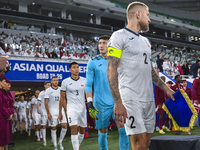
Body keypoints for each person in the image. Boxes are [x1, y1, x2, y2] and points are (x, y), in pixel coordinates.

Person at [106, 2, 175, 150]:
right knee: (139, 144)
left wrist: (166, 89)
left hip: (148, 98)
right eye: (147, 15)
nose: (149, 20)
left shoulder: (146, 41)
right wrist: (118, 102)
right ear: (138, 14)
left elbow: (150, 71)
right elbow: (111, 69)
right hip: (131, 97)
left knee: (147, 143)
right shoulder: (118, 36)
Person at [85, 35, 129, 150]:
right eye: (100, 43)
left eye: (104, 43)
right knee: (102, 131)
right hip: (99, 103)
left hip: (117, 102)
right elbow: (88, 84)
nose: (101, 45)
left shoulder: (118, 61)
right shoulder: (92, 62)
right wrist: (89, 102)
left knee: (124, 129)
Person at [59, 62, 86, 150]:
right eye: (74, 67)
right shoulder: (65, 82)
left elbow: (89, 93)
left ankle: (77, 147)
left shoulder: (84, 80)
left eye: (77, 67)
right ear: (70, 70)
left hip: (82, 109)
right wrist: (61, 111)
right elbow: (62, 98)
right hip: (71, 108)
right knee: (74, 129)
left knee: (82, 131)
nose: (76, 69)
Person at [45, 76, 67, 150]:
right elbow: (46, 102)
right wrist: (48, 113)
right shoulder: (48, 91)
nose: (56, 82)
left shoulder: (61, 89)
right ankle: (55, 146)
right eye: (54, 80)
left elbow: (63, 100)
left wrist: (66, 110)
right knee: (53, 128)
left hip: (61, 111)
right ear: (51, 82)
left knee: (65, 126)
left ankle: (60, 142)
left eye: (57, 80)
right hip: (52, 111)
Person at [0, 76, 13, 150]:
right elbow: (1, 105)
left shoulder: (3, 91)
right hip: (2, 117)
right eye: (4, 82)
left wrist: (10, 113)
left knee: (5, 138)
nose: (6, 83)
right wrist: (8, 115)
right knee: (2, 140)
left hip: (5, 117)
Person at [37, 81, 51, 146]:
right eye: (48, 85)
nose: (49, 86)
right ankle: (44, 141)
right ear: (44, 86)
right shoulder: (41, 93)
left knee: (53, 126)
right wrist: (38, 109)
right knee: (44, 126)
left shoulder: (52, 92)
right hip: (43, 111)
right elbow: (38, 101)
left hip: (51, 111)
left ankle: (53, 140)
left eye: (50, 85)